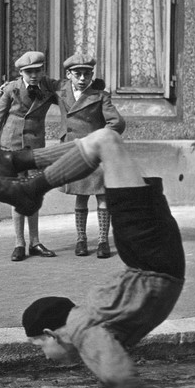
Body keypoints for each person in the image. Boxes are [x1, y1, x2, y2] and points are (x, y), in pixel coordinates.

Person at [0, 128, 185, 388]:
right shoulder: (91, 331)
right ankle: (17, 169)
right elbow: (112, 381)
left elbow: (123, 380)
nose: (45, 358)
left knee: (106, 142)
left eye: (40, 346)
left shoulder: (83, 331)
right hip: (148, 256)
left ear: (51, 333)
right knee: (106, 142)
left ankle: (24, 182)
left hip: (152, 256)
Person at [0, 51, 57, 261]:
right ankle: (19, 243)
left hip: (35, 149)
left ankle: (35, 242)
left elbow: (70, 90)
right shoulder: (11, 89)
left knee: (34, 194)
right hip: (12, 147)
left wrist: (96, 86)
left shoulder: (48, 88)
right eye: (29, 72)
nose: (34, 75)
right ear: (21, 72)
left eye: (38, 70)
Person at [57, 54, 125, 258]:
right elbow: (37, 83)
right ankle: (81, 240)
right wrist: (8, 85)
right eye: (77, 74)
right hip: (74, 152)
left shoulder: (100, 96)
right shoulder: (61, 92)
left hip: (95, 153)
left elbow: (117, 123)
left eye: (87, 74)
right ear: (68, 74)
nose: (82, 79)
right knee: (81, 196)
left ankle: (103, 240)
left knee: (102, 196)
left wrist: (100, 138)